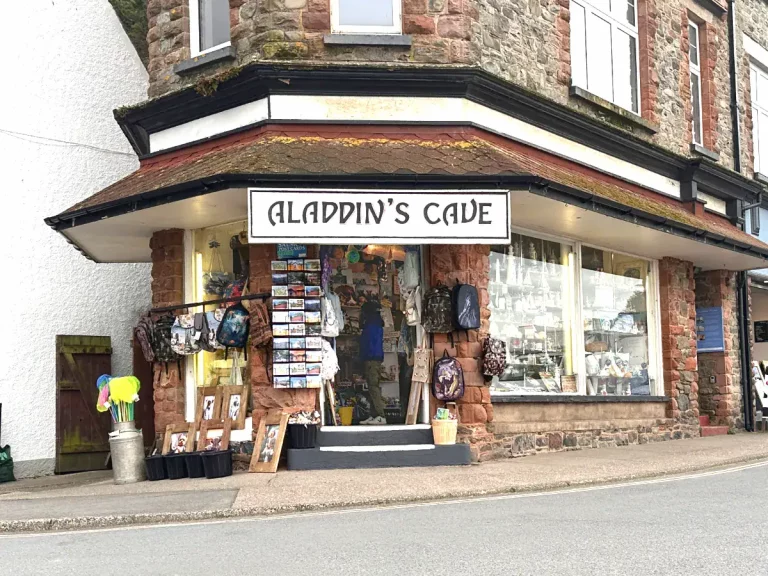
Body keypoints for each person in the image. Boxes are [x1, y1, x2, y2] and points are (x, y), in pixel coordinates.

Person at [359, 301, 386, 425]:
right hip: (375, 358)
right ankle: (374, 415)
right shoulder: (377, 323)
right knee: (371, 387)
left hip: (371, 358)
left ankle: (381, 415)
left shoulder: (370, 325)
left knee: (373, 387)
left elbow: (368, 344)